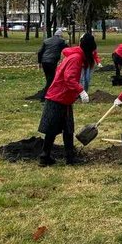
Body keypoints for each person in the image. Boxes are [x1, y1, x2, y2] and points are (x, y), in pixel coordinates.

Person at [37, 33, 96, 166]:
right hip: (58, 97)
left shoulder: (77, 57)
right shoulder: (76, 58)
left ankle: (68, 157)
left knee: (67, 129)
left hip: (64, 98)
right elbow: (69, 78)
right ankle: (45, 156)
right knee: (53, 129)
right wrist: (81, 91)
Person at [36, 28, 68, 101]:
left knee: (49, 78)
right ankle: (44, 97)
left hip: (44, 62)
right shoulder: (61, 41)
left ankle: (48, 94)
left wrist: (39, 62)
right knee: (52, 79)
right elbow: (67, 49)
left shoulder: (47, 41)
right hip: (52, 62)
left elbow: (40, 52)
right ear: (60, 36)